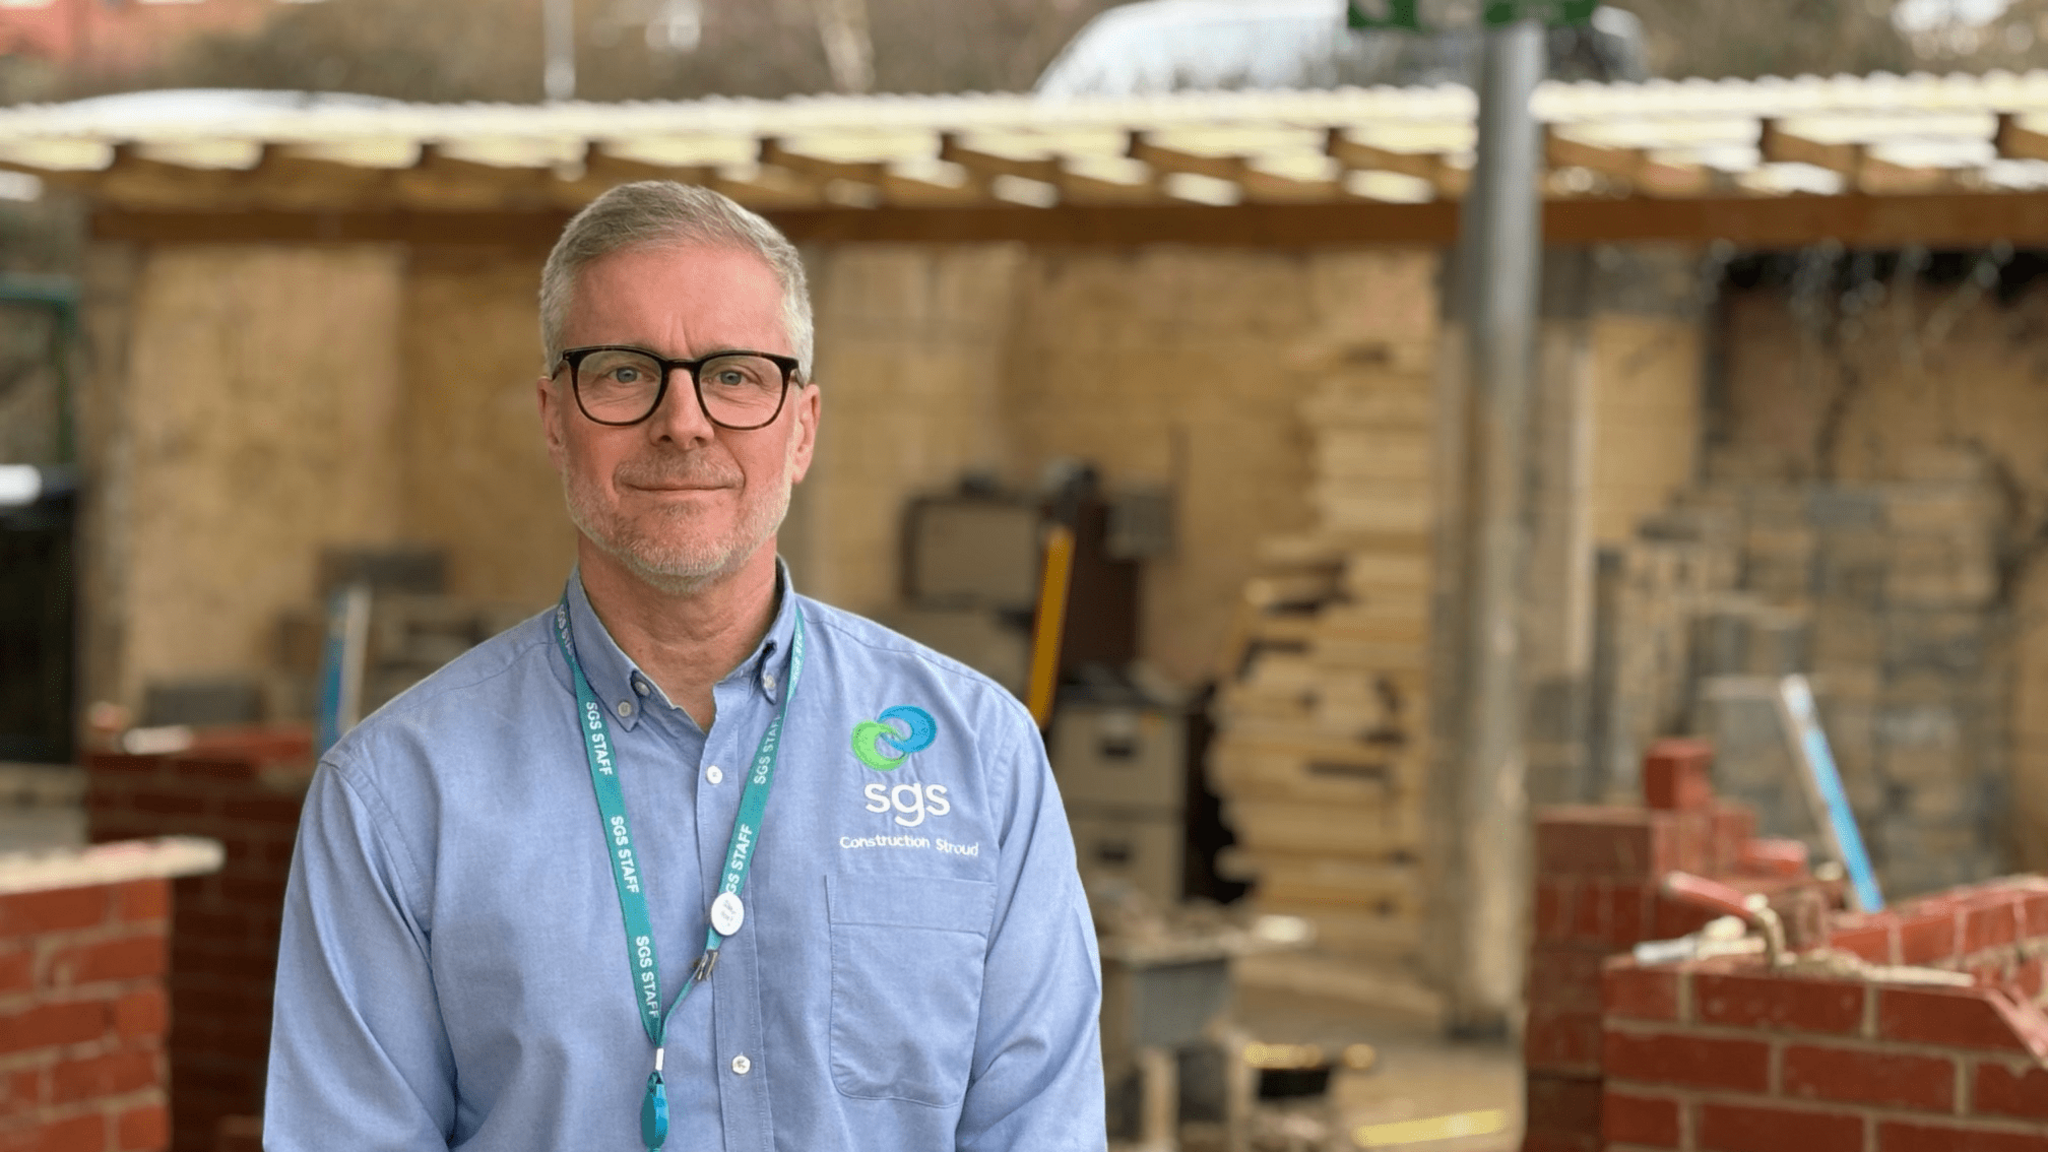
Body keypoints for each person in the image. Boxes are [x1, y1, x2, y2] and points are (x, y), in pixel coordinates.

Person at [265, 181, 1106, 1151]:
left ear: (801, 425)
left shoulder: (979, 757)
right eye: (624, 373)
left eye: (735, 375)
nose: (683, 420)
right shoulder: (396, 797)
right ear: (551, 417)